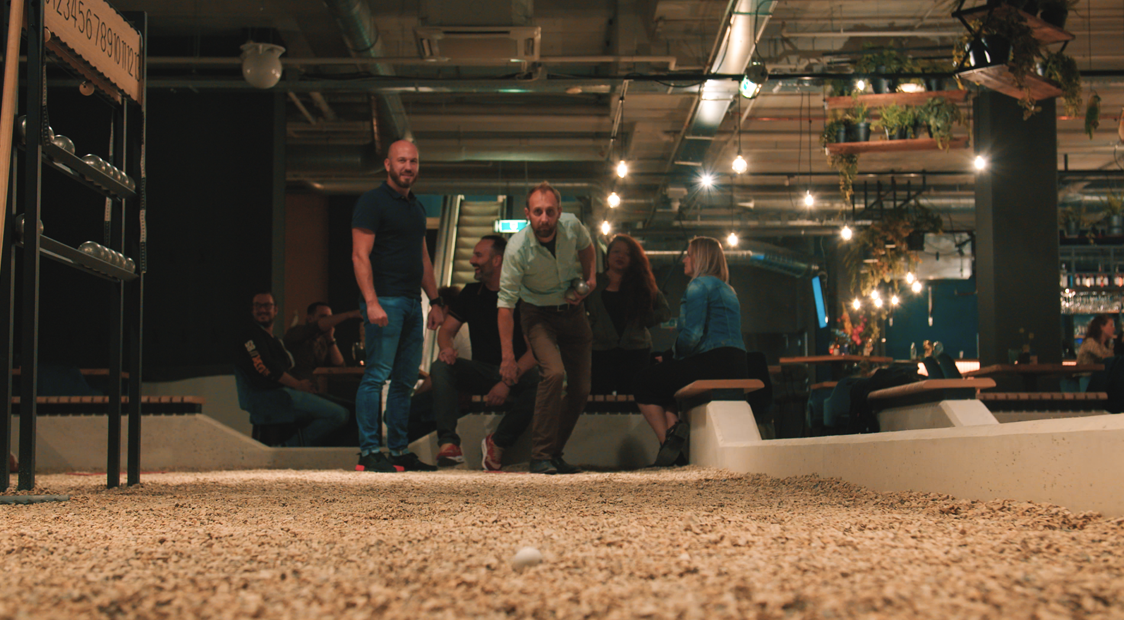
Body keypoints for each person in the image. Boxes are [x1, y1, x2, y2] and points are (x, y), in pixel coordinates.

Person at [351, 139, 445, 473]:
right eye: (402, 161)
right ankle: (369, 451)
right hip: (385, 301)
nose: (409, 167)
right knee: (376, 375)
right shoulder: (372, 202)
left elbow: (423, 257)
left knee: (405, 380)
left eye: (414, 161)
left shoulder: (416, 207)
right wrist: (372, 302)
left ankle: (399, 451)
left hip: (410, 302)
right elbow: (359, 255)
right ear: (388, 165)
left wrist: (434, 301)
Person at [498, 181, 596, 475]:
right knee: (554, 374)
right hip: (536, 313)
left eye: (550, 212)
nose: (544, 218)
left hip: (573, 311)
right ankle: (539, 456)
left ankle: (553, 454)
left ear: (559, 212)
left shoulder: (572, 226)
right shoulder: (517, 249)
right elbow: (505, 304)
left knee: (580, 390)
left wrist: (590, 281)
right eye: (538, 212)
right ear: (527, 213)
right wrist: (507, 357)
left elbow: (587, 248)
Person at [632, 236, 748, 467]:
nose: (684, 259)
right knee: (665, 378)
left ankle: (669, 445)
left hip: (712, 362)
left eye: (689, 254)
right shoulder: (729, 290)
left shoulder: (698, 286)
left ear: (700, 259)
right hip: (737, 362)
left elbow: (692, 336)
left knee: (643, 382)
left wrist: (668, 355)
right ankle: (674, 443)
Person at [431, 235, 539, 469]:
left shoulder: (522, 295)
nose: (472, 260)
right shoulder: (471, 293)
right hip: (482, 371)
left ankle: (498, 442)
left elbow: (534, 352)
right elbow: (445, 331)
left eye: (478, 255)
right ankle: (449, 443)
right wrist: (446, 348)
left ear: (498, 260)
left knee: (541, 381)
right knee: (440, 366)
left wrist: (507, 382)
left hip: (516, 372)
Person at [233, 292, 349, 447]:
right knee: (339, 415)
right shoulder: (250, 335)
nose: (262, 310)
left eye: (267, 305)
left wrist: (330, 340)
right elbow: (265, 366)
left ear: (276, 310)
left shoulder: (275, 340)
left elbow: (339, 367)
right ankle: (287, 449)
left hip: (286, 395)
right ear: (252, 310)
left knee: (349, 408)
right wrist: (298, 385)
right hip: (270, 398)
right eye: (258, 306)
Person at [585, 234, 671, 395]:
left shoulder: (643, 284)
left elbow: (665, 311)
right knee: (598, 400)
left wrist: (642, 321)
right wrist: (591, 326)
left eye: (627, 253)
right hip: (600, 350)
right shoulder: (594, 283)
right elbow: (577, 310)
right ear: (608, 255)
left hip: (636, 350)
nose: (620, 256)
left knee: (634, 401)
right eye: (616, 251)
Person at [283, 302, 363, 382]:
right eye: (324, 317)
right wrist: (349, 314)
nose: (330, 321)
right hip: (294, 389)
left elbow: (339, 368)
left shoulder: (322, 342)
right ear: (310, 319)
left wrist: (331, 339)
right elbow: (316, 327)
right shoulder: (296, 332)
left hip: (312, 390)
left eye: (331, 318)